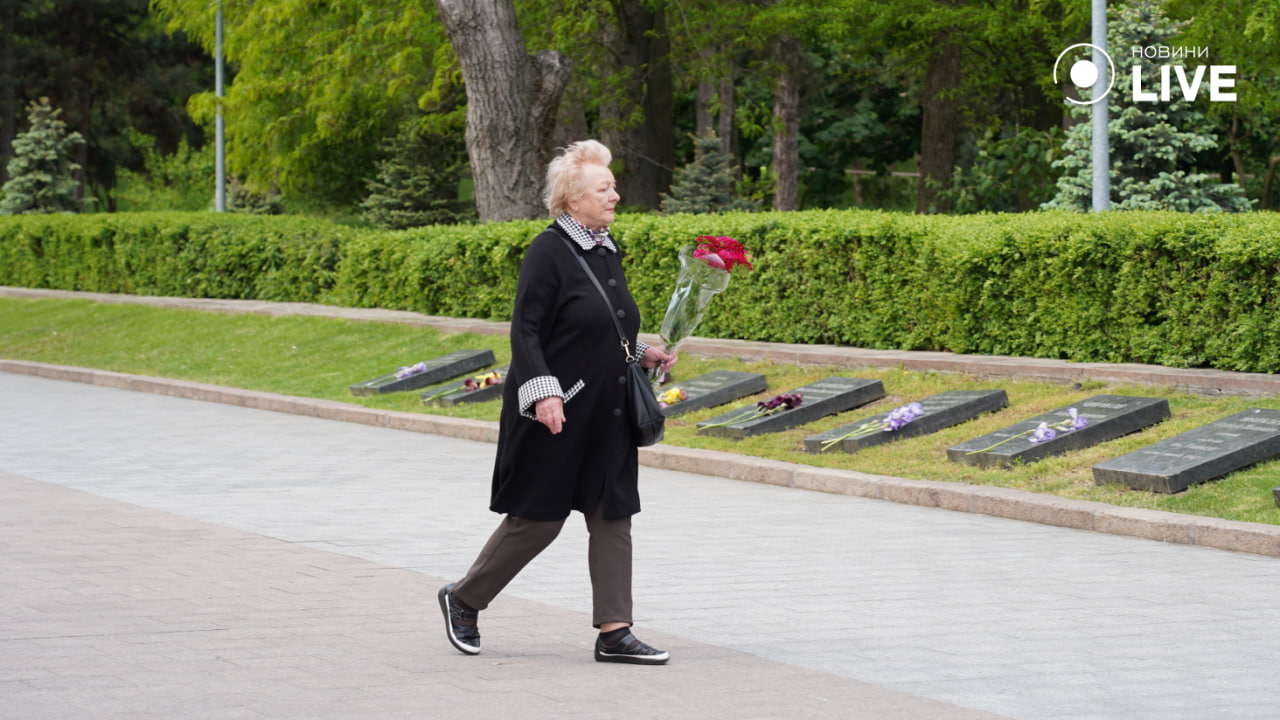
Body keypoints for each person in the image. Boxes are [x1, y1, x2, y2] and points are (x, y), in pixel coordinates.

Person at [438, 139, 678, 665]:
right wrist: (543, 391)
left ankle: (615, 632)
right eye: (604, 188)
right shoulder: (549, 251)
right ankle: (463, 598)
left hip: (608, 413)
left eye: (613, 186)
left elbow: (599, 328)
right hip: (559, 410)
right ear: (572, 199)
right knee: (539, 519)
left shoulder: (605, 247)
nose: (615, 195)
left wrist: (644, 351)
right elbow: (526, 330)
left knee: (613, 516)